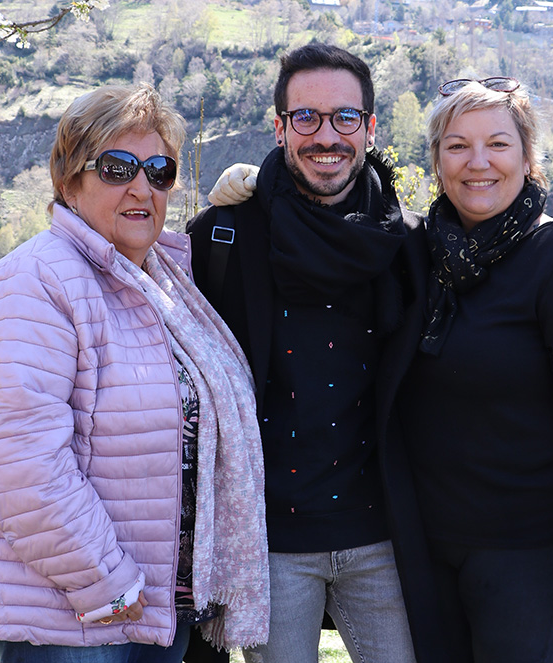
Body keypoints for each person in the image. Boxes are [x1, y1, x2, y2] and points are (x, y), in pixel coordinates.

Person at [0, 83, 270, 663]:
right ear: (68, 180)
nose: (141, 187)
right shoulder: (32, 282)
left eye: (159, 170)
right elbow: (21, 463)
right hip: (74, 611)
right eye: (116, 167)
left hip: (154, 603)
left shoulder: (161, 285)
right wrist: (108, 582)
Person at [186, 43, 439, 663]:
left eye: (344, 118)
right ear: (280, 128)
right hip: (270, 542)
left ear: (370, 127)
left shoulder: (408, 246)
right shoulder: (223, 237)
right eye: (307, 118)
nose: (327, 136)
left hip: (383, 537)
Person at [389, 77, 553, 661]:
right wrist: (261, 193)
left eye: (498, 144)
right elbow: (337, 224)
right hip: (421, 545)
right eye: (457, 146)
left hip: (525, 551)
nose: (478, 163)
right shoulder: (417, 253)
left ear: (528, 158)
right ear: (436, 160)